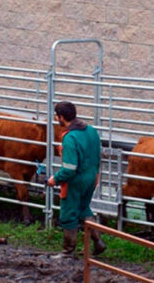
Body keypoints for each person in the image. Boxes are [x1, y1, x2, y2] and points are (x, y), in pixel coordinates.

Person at [47, 101, 106, 257]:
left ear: (62, 117)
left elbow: (69, 168)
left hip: (75, 181)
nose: (56, 119)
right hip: (92, 177)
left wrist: (55, 179)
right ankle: (98, 241)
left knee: (68, 213)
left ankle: (68, 251)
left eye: (57, 116)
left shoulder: (70, 138)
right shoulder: (92, 131)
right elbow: (97, 156)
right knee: (84, 209)